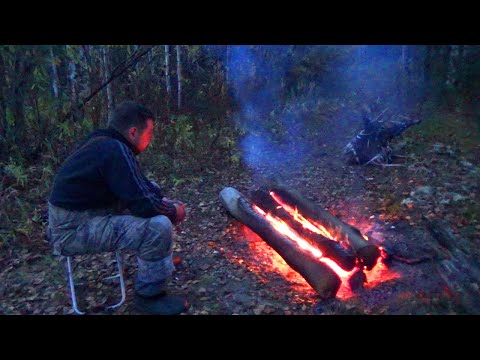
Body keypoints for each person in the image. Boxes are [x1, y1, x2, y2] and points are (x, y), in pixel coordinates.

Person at [47, 100, 188, 315]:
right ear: (133, 132)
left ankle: (160, 261)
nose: (151, 138)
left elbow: (139, 185)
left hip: (86, 213)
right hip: (73, 229)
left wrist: (163, 201)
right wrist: (173, 211)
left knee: (157, 199)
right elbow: (143, 205)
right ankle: (149, 297)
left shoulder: (104, 142)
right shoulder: (114, 149)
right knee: (158, 227)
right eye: (149, 133)